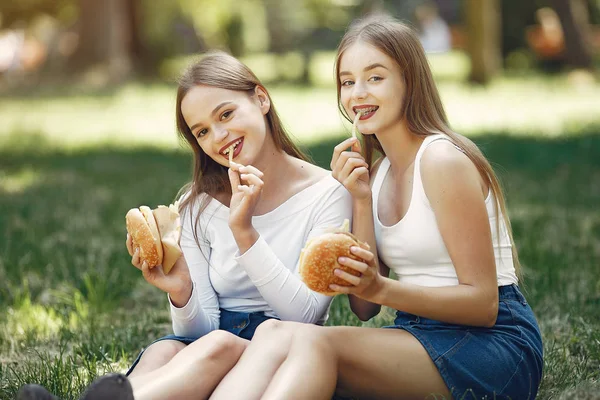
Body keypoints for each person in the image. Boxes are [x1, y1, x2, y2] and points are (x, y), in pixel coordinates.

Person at [208, 16, 544, 400]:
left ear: (409, 80)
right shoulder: (378, 173)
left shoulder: (441, 161)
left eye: (375, 78)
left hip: (493, 343)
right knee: (273, 332)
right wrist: (362, 201)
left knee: (318, 345)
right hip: (416, 332)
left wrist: (382, 287)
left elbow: (483, 305)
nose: (357, 94)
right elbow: (364, 307)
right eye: (348, 82)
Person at [16, 51, 352, 400]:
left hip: (282, 351)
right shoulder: (198, 203)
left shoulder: (327, 194)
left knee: (219, 343)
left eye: (226, 114)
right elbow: (199, 329)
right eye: (202, 131)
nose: (219, 136)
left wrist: (245, 234)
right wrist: (181, 291)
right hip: (209, 348)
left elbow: (307, 314)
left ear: (261, 99)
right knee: (165, 351)